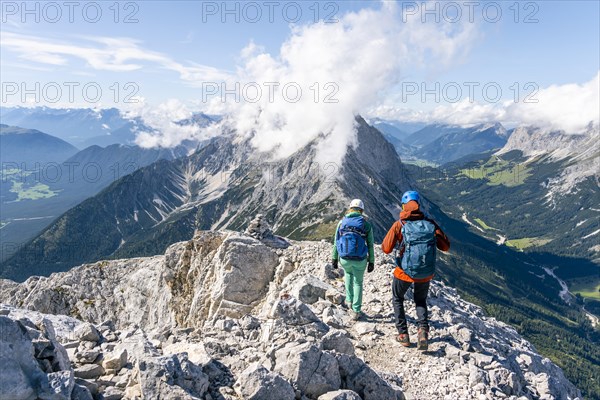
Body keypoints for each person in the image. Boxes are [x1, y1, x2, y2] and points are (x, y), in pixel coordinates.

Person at [381, 191, 450, 350]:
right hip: (425, 272)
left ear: (404, 206)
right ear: (419, 205)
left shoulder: (400, 224)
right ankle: (423, 332)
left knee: (398, 298)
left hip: (404, 272)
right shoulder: (430, 224)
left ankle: (403, 335)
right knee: (420, 300)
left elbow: (385, 248)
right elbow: (445, 246)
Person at [331, 199, 375, 320]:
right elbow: (370, 244)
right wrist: (371, 261)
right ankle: (356, 311)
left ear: (350, 208)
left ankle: (349, 301)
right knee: (358, 282)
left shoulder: (342, 223)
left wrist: (334, 258)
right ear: (361, 210)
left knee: (348, 275)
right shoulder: (366, 225)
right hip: (360, 259)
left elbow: (336, 242)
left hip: (344, 258)